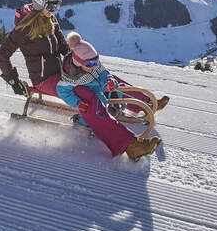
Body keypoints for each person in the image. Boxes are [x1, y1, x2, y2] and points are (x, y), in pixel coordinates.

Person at [56, 32, 161, 161]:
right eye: (90, 64)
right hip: (89, 96)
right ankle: (131, 147)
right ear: (78, 62)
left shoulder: (91, 64)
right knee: (98, 109)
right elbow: (62, 90)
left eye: (96, 61)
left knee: (116, 91)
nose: (94, 65)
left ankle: (143, 104)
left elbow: (103, 73)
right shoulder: (71, 76)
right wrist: (77, 103)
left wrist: (109, 81)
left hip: (98, 90)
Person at [0, 0, 68, 96]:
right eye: (50, 6)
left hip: (60, 74)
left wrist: (78, 62)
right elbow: (1, 55)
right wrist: (13, 81)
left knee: (88, 84)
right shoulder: (25, 27)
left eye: (56, 6)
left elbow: (64, 47)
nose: (53, 10)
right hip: (43, 79)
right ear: (40, 3)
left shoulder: (51, 20)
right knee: (78, 92)